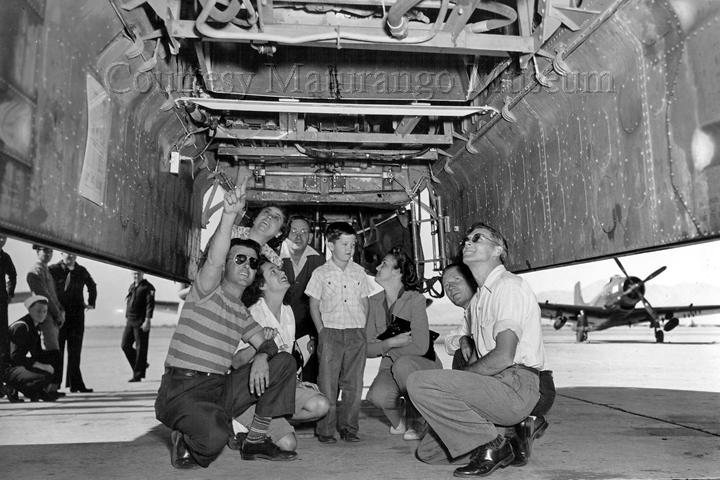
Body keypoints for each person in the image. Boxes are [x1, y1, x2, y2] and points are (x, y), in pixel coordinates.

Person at [154, 182, 297, 469]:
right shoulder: (206, 289)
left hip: (218, 387)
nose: (247, 265)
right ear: (226, 264)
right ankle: (185, 433)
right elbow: (215, 260)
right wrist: (229, 215)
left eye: (253, 263)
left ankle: (255, 438)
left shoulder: (242, 312)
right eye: (239, 259)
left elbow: (266, 342)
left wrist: (261, 355)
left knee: (283, 361)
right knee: (213, 440)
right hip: (184, 387)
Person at [407, 222, 546, 477]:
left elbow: (504, 356)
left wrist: (459, 381)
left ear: (498, 249)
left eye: (477, 238)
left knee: (419, 382)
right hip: (495, 387)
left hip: (514, 385)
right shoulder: (481, 298)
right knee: (428, 453)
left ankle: (495, 445)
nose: (467, 242)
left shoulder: (508, 286)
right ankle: (513, 436)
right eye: (466, 239)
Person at [229, 257, 330, 452]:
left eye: (279, 270)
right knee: (288, 445)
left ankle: (262, 423)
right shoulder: (251, 314)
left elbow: (285, 355)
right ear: (262, 285)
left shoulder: (287, 311)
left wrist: (296, 382)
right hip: (251, 392)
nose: (282, 273)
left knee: (320, 404)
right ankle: (238, 422)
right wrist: (259, 345)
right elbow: (235, 362)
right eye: (273, 272)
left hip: (275, 389)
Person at [305, 222, 373, 443]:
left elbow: (365, 302)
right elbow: (314, 305)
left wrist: (362, 329)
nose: (349, 248)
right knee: (327, 384)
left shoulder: (359, 272)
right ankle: (325, 430)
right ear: (330, 245)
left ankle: (349, 428)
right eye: (344, 243)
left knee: (354, 384)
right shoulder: (320, 273)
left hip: (355, 333)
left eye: (352, 244)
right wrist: (322, 331)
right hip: (330, 333)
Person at [366, 248, 442, 441]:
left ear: (398, 271)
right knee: (376, 397)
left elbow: (421, 346)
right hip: (390, 366)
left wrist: (384, 348)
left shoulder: (415, 299)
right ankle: (398, 423)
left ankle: (418, 419)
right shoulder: (373, 303)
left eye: (384, 264)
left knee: (404, 365)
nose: (377, 267)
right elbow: (366, 348)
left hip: (421, 365)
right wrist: (392, 342)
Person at [279, 215, 325, 382]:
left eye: (304, 232)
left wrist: (316, 334)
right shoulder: (274, 256)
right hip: (279, 323)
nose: (298, 237)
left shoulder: (319, 260)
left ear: (310, 237)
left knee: (310, 370)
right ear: (286, 234)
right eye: (294, 231)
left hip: (307, 325)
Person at [49, 252, 97, 393]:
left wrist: (91, 302)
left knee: (75, 351)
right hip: (59, 315)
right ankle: (55, 385)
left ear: (76, 255)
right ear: (61, 253)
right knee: (58, 350)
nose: (69, 255)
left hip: (77, 315)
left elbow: (92, 285)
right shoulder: (53, 270)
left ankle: (76, 384)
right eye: (66, 253)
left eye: (72, 253)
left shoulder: (81, 271)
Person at [6, 295, 61, 402]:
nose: (42, 314)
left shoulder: (34, 326)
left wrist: (52, 361)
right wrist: (40, 366)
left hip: (14, 365)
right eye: (38, 311)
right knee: (43, 376)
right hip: (6, 367)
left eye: (45, 311)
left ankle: (36, 392)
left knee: (54, 356)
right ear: (30, 310)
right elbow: (15, 356)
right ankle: (11, 387)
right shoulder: (21, 327)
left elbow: (37, 353)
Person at [26, 244, 64, 394]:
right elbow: (44, 296)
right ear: (37, 252)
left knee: (53, 351)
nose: (48, 253)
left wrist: (60, 310)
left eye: (50, 251)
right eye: (44, 250)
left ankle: (51, 388)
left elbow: (53, 294)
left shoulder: (45, 270)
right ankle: (47, 388)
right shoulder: (34, 272)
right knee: (51, 352)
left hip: (52, 316)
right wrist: (57, 313)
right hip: (45, 317)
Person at [121, 271, 155, 382]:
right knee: (125, 345)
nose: (136, 276)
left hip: (141, 321)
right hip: (130, 320)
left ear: (143, 274)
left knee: (141, 348)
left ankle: (138, 375)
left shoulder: (148, 287)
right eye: (134, 274)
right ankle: (142, 364)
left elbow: (150, 304)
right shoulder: (132, 286)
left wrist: (148, 320)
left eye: (138, 274)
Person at [0, 234, 16, 366]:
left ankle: (5, 367)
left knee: (3, 333)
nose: (2, 240)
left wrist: (10, 293)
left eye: (4, 238)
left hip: (1, 301)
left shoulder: (5, 257)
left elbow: (13, 275)